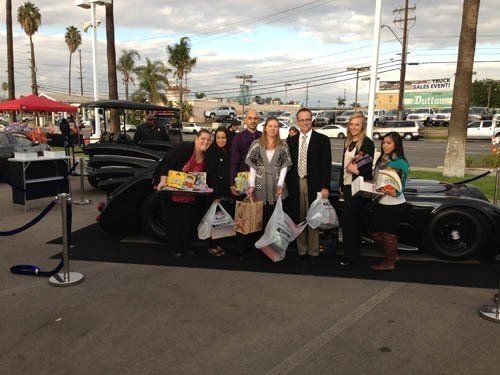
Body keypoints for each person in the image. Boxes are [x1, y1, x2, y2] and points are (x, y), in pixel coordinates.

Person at [156, 129, 212, 258]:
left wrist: (205, 186)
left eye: (208, 140)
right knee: (174, 221)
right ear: (196, 139)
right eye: (203, 138)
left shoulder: (205, 156)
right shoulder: (185, 148)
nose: (206, 142)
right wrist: (163, 182)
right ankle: (174, 248)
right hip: (171, 189)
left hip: (188, 194)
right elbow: (167, 163)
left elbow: (201, 177)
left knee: (187, 221)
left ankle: (186, 246)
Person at [286, 108, 331, 264]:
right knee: (299, 217)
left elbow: (326, 165)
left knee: (313, 217)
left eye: (307, 119)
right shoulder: (291, 141)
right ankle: (302, 250)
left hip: (315, 185)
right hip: (296, 183)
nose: (305, 122)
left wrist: (325, 187)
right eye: (301, 120)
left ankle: (313, 252)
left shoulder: (322, 140)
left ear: (311, 120)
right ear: (297, 122)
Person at [338, 112, 375, 266]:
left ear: (363, 126)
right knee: (348, 222)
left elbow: (368, 167)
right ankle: (350, 255)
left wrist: (357, 172)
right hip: (347, 187)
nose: (353, 127)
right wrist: (341, 183)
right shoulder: (348, 141)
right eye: (351, 124)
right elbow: (343, 165)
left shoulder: (366, 142)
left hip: (358, 188)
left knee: (352, 223)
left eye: (357, 124)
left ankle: (352, 257)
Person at [370, 132, 409, 271]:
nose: (384, 145)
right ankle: (392, 254)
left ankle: (389, 262)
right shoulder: (383, 159)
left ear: (396, 145)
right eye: (383, 142)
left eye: (389, 143)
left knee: (389, 235)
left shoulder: (401, 162)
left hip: (394, 204)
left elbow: (401, 185)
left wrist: (395, 192)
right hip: (380, 201)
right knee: (374, 233)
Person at [245, 117, 292, 224]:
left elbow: (285, 166)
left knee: (276, 215)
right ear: (265, 128)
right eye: (270, 126)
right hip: (259, 183)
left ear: (278, 128)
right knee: (260, 213)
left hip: (277, 182)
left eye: (275, 126)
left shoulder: (283, 145)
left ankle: (274, 239)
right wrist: (252, 185)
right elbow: (253, 166)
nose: (272, 129)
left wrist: (280, 184)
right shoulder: (256, 144)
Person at [229, 109, 262, 259]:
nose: (253, 120)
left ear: (259, 120)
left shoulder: (264, 136)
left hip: (260, 180)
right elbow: (234, 162)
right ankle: (240, 250)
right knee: (242, 215)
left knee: (257, 213)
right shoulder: (238, 138)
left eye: (255, 118)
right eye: (250, 118)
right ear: (245, 120)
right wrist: (232, 183)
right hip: (242, 179)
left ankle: (255, 247)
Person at [206, 127, 232, 256]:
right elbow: (211, 174)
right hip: (216, 192)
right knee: (215, 220)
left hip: (226, 191)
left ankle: (218, 243)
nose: (221, 140)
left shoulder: (228, 151)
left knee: (222, 220)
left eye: (224, 138)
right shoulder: (212, 152)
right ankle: (212, 245)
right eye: (218, 138)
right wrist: (215, 194)